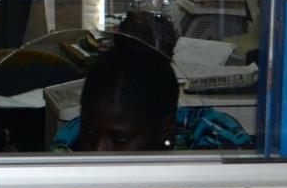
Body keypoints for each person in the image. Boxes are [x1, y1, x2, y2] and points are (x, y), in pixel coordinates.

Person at [52, 40, 255, 153]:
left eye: (119, 139)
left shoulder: (216, 136)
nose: (97, 151)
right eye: (89, 131)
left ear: (166, 128)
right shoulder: (69, 141)